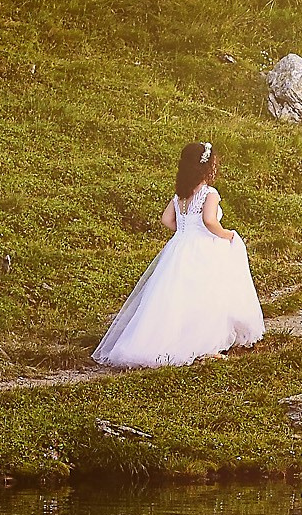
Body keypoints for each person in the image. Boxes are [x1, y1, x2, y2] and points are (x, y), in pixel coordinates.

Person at [93, 141, 264, 369]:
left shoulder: (180, 195)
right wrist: (227, 234)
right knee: (205, 293)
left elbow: (167, 220)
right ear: (207, 168)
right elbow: (209, 220)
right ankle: (203, 344)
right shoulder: (209, 193)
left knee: (173, 297)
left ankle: (156, 343)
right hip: (202, 247)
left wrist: (184, 232)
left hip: (178, 247)